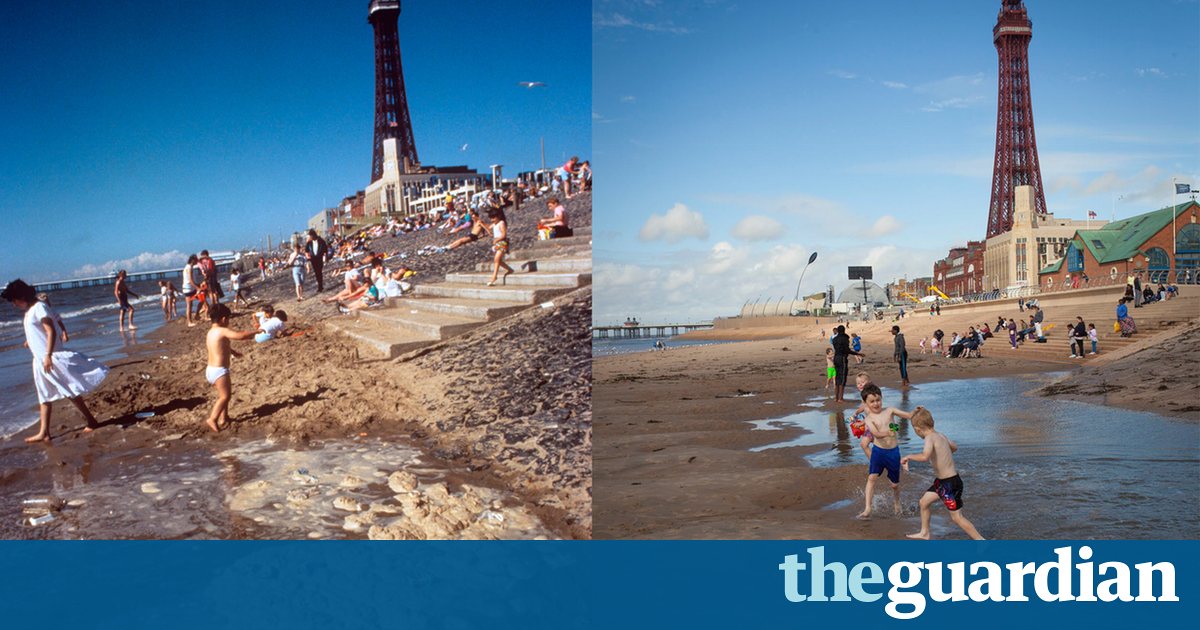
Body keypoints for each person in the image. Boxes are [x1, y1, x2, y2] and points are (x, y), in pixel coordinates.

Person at [3, 279, 107, 443]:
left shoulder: (40, 307)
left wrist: (48, 356)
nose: (14, 304)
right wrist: (30, 340)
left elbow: (50, 331)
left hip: (50, 358)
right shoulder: (30, 310)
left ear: (21, 296)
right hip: (39, 360)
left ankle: (92, 421)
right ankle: (44, 432)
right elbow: (39, 332)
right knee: (43, 396)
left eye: (14, 300)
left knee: (69, 391)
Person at [901, 407, 985, 540]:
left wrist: (908, 457)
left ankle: (980, 540)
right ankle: (924, 533)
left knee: (957, 517)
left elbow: (925, 456)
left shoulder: (929, 438)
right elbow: (954, 447)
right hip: (942, 482)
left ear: (917, 429)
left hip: (950, 484)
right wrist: (943, 452)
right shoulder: (941, 435)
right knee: (923, 502)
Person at [856, 383, 914, 519]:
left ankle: (897, 502)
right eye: (872, 401)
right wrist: (888, 432)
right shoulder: (869, 418)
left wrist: (916, 412)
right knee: (871, 478)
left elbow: (908, 415)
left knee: (894, 485)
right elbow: (875, 433)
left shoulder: (890, 411)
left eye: (878, 400)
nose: (876, 404)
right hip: (878, 452)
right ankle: (867, 508)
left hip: (893, 452)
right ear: (866, 403)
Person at [204, 303, 257, 433]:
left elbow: (221, 346)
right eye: (228, 319)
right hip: (219, 370)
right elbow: (241, 336)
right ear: (223, 319)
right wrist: (256, 331)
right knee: (225, 397)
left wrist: (233, 352)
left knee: (224, 394)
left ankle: (224, 418)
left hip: (211, 370)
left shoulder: (211, 332)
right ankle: (212, 419)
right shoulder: (222, 330)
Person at [830, 325, 863, 403]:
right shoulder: (845, 339)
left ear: (837, 331)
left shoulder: (834, 339)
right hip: (842, 358)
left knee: (837, 377)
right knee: (842, 378)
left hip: (836, 358)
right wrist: (858, 354)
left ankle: (836, 398)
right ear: (844, 330)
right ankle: (840, 398)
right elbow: (847, 350)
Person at [483, 207, 514, 286]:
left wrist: (497, 239)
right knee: (499, 261)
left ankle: (494, 276)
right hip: (497, 244)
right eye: (491, 218)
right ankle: (510, 269)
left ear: (498, 216)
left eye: (493, 218)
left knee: (496, 259)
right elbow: (488, 229)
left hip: (502, 243)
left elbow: (504, 234)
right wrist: (481, 223)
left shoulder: (501, 223)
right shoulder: (494, 224)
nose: (492, 220)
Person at [848, 372, 875, 459]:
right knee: (877, 444)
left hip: (873, 424)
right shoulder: (864, 394)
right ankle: (877, 461)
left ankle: (874, 462)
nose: (860, 385)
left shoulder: (870, 395)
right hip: (870, 424)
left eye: (862, 382)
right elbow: (864, 405)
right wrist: (857, 412)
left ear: (869, 382)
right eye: (858, 383)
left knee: (864, 444)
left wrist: (862, 423)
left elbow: (872, 414)